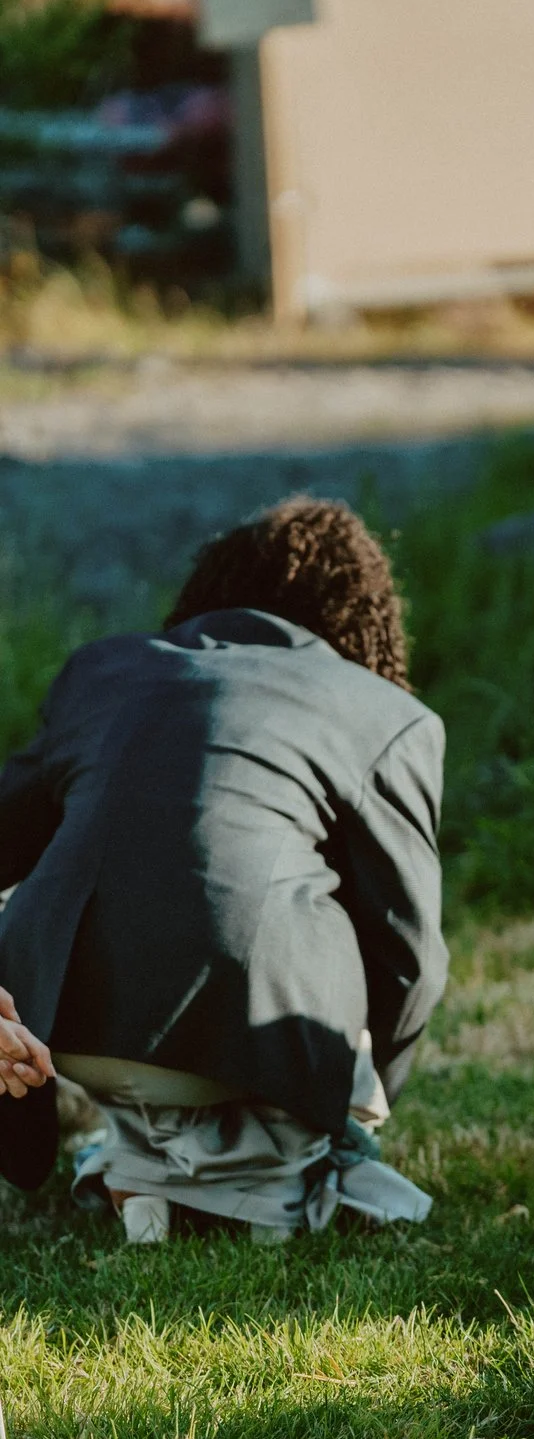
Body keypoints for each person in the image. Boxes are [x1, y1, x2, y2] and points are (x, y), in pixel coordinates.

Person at [0, 497, 446, 1239]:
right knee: (325, 909)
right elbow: (411, 954)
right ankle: (272, 1162)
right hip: (254, 1030)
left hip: (62, 1036)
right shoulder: (382, 712)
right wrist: (358, 1096)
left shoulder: (104, 667)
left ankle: (151, 1164)